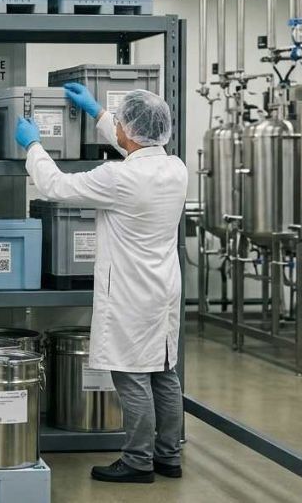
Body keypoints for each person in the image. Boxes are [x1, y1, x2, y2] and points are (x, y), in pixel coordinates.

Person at [15, 84, 188, 484]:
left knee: (131, 376)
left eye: (120, 122)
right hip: (163, 287)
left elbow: (54, 186)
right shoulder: (174, 168)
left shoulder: (119, 178)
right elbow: (135, 143)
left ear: (129, 130)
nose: (119, 129)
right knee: (164, 372)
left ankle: (137, 461)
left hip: (131, 292)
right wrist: (97, 112)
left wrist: (34, 146)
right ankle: (168, 456)